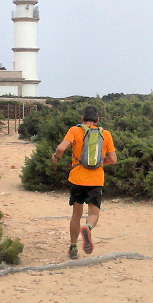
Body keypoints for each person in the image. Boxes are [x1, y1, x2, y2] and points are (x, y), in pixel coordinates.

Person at [51, 106, 117, 259]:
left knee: (76, 214)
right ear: (97, 120)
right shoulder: (105, 134)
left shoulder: (75, 130)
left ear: (82, 119)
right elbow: (113, 159)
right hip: (96, 179)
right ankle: (87, 227)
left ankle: (73, 248)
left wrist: (56, 157)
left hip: (77, 177)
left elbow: (61, 148)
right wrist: (99, 163)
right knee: (94, 213)